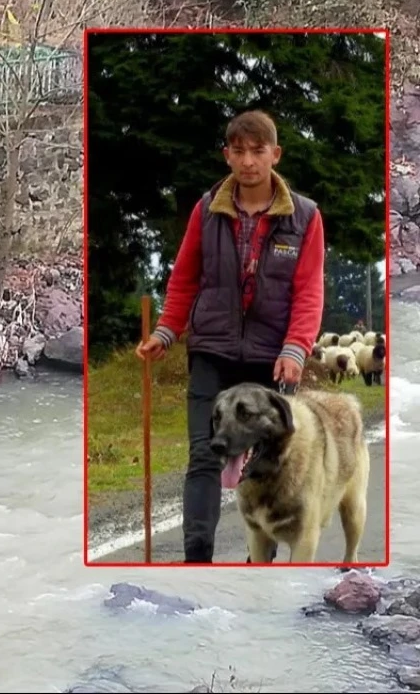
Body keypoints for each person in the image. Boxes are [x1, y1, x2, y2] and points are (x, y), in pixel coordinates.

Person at [134, 109, 326, 565]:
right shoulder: (207, 210)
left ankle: (260, 564)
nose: (248, 161)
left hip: (270, 358)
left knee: (267, 462)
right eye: (238, 151)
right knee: (204, 454)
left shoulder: (305, 217)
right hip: (212, 351)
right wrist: (166, 331)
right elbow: (184, 279)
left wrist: (296, 349)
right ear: (227, 155)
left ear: (275, 154)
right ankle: (196, 560)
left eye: (258, 151)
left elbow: (309, 292)